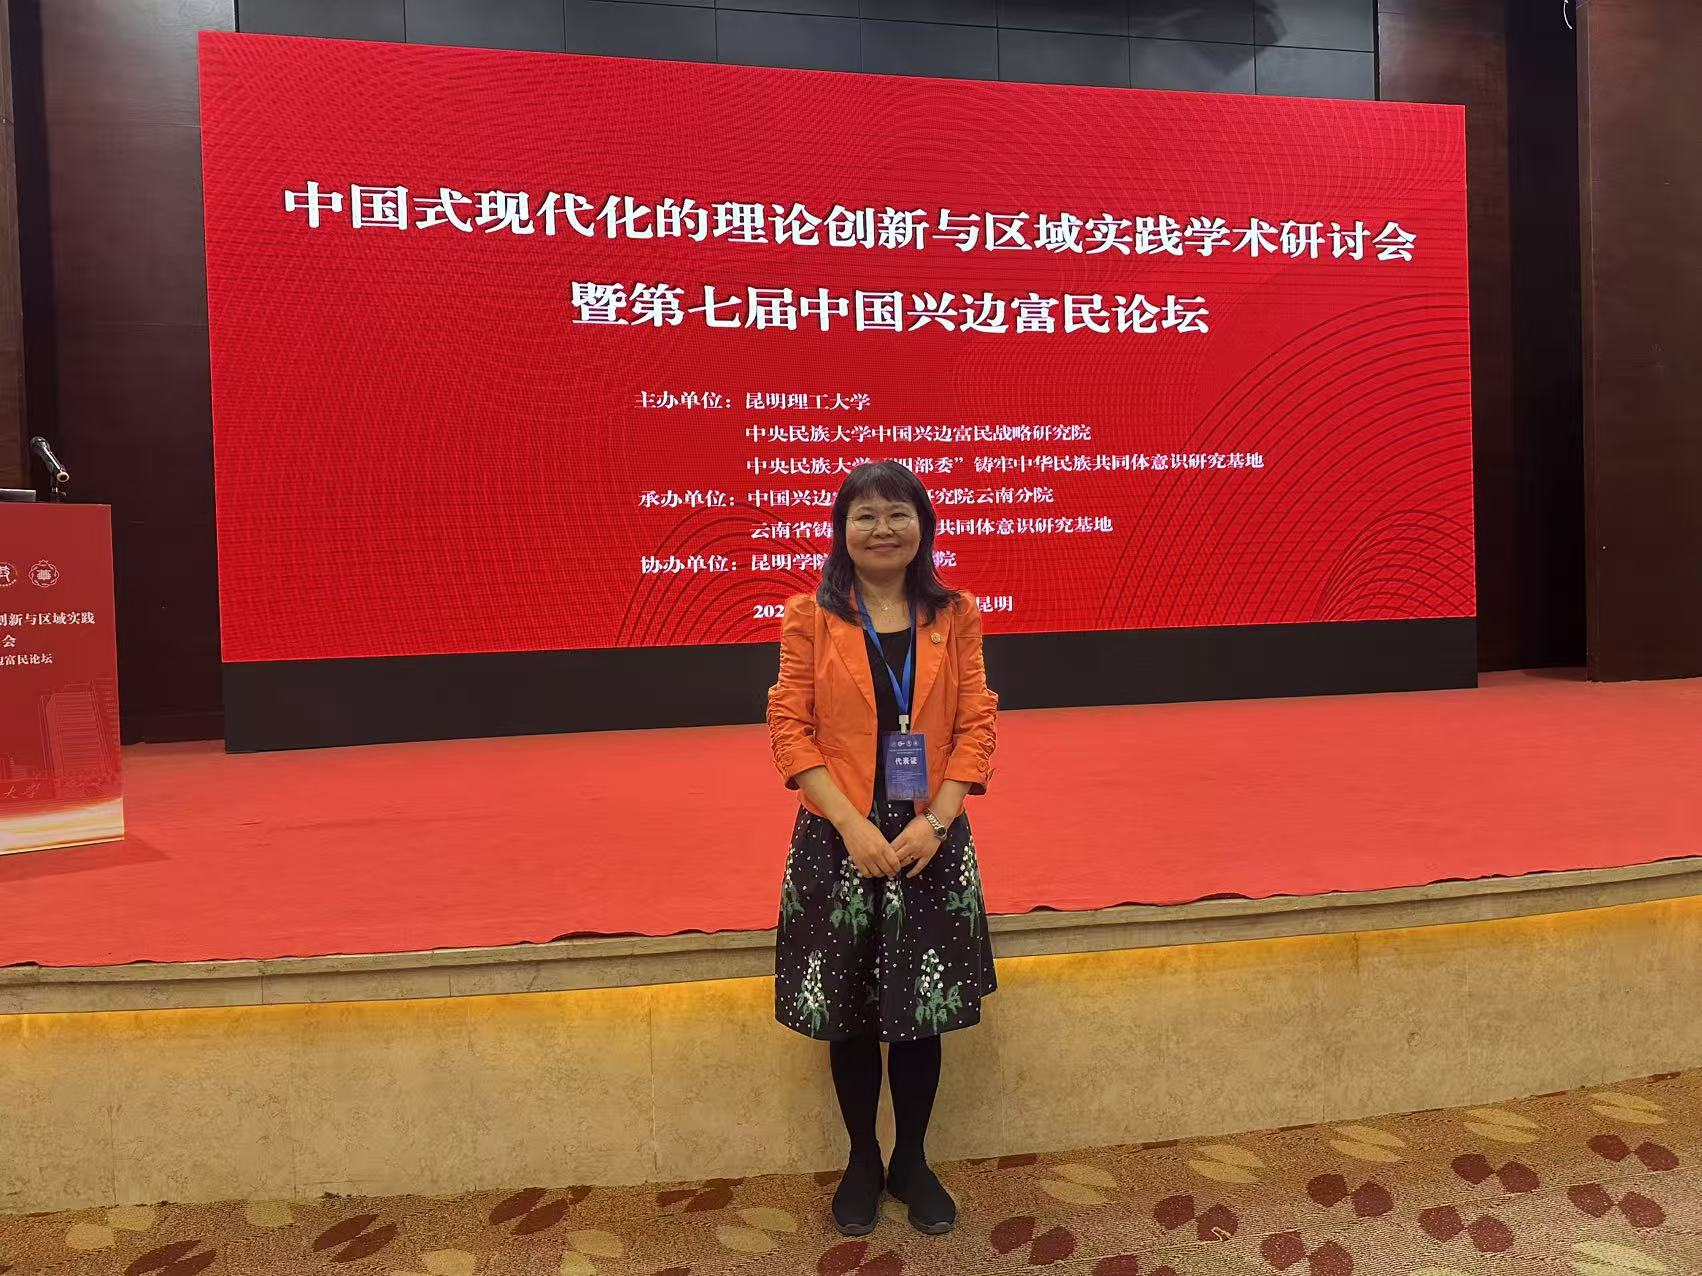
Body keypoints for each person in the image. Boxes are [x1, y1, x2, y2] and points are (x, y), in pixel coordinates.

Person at [767, 460, 999, 1237]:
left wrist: (937, 821)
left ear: (923, 527)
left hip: (928, 835)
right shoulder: (809, 616)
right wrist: (850, 824)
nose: (882, 529)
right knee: (853, 1009)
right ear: (842, 530)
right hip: (841, 836)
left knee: (922, 1009)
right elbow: (789, 726)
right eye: (864, 515)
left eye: (899, 513)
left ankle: (913, 1160)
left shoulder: (954, 614)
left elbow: (976, 722)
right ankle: (863, 1159)